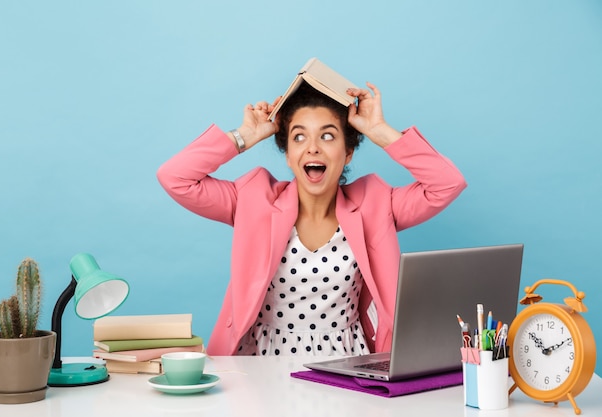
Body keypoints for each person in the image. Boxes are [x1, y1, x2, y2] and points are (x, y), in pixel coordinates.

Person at [157, 81, 466, 357]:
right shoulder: (252, 200)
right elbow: (175, 177)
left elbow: (446, 183)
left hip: (347, 362)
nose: (313, 147)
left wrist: (379, 131)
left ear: (347, 153)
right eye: (299, 137)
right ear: (289, 154)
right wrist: (244, 136)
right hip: (261, 365)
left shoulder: (376, 205)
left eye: (328, 136)